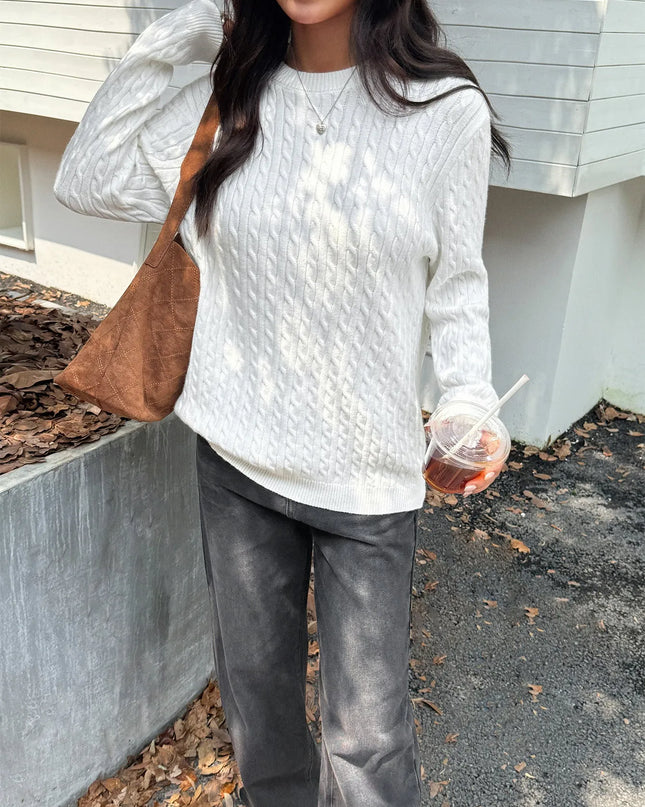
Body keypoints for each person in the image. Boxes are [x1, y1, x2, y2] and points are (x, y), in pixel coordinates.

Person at [53, 1, 511, 804]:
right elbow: (84, 177)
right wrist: (187, 30)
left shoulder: (445, 113)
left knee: (368, 745)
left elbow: (457, 285)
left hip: (369, 483)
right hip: (235, 466)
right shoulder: (228, 102)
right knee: (259, 714)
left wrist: (469, 401)